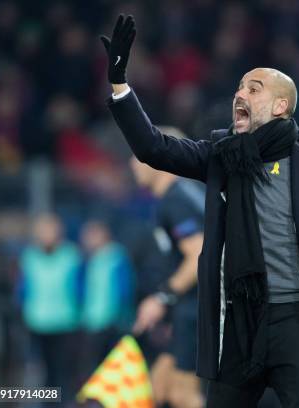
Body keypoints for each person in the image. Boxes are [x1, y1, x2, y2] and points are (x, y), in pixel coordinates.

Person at [100, 14, 299, 408]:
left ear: (281, 105)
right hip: (240, 321)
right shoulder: (222, 156)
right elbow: (153, 148)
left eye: (254, 88)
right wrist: (119, 83)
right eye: (239, 87)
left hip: (296, 320)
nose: (240, 94)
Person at [129, 127, 206, 408]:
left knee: (184, 394)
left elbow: (199, 254)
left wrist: (162, 297)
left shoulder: (177, 199)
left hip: (195, 309)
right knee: (157, 389)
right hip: (186, 309)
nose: (131, 162)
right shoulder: (183, 195)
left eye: (138, 153)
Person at [18, 213, 82, 398]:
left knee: (64, 372)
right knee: (42, 373)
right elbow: (23, 288)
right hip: (37, 321)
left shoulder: (71, 255)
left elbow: (80, 287)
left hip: (65, 321)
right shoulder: (29, 256)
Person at [79, 220, 134, 379]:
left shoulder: (117, 257)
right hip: (92, 320)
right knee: (92, 365)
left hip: (113, 321)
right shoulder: (90, 260)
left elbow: (125, 288)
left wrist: (121, 314)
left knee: (112, 365)